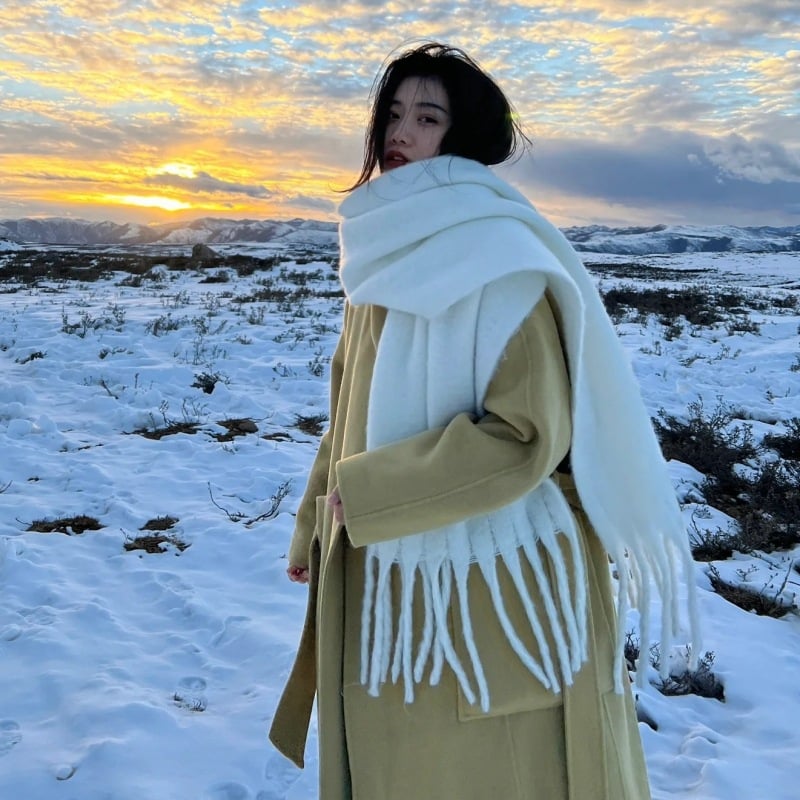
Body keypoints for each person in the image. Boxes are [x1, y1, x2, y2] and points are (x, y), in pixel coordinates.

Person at [269, 42, 699, 800]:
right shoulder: (383, 256)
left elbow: (525, 435)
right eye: (393, 114)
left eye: (427, 117)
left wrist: (370, 496)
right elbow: (348, 411)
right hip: (384, 561)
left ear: (462, 134)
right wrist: (314, 523)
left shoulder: (495, 255)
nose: (400, 133)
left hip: (491, 585)